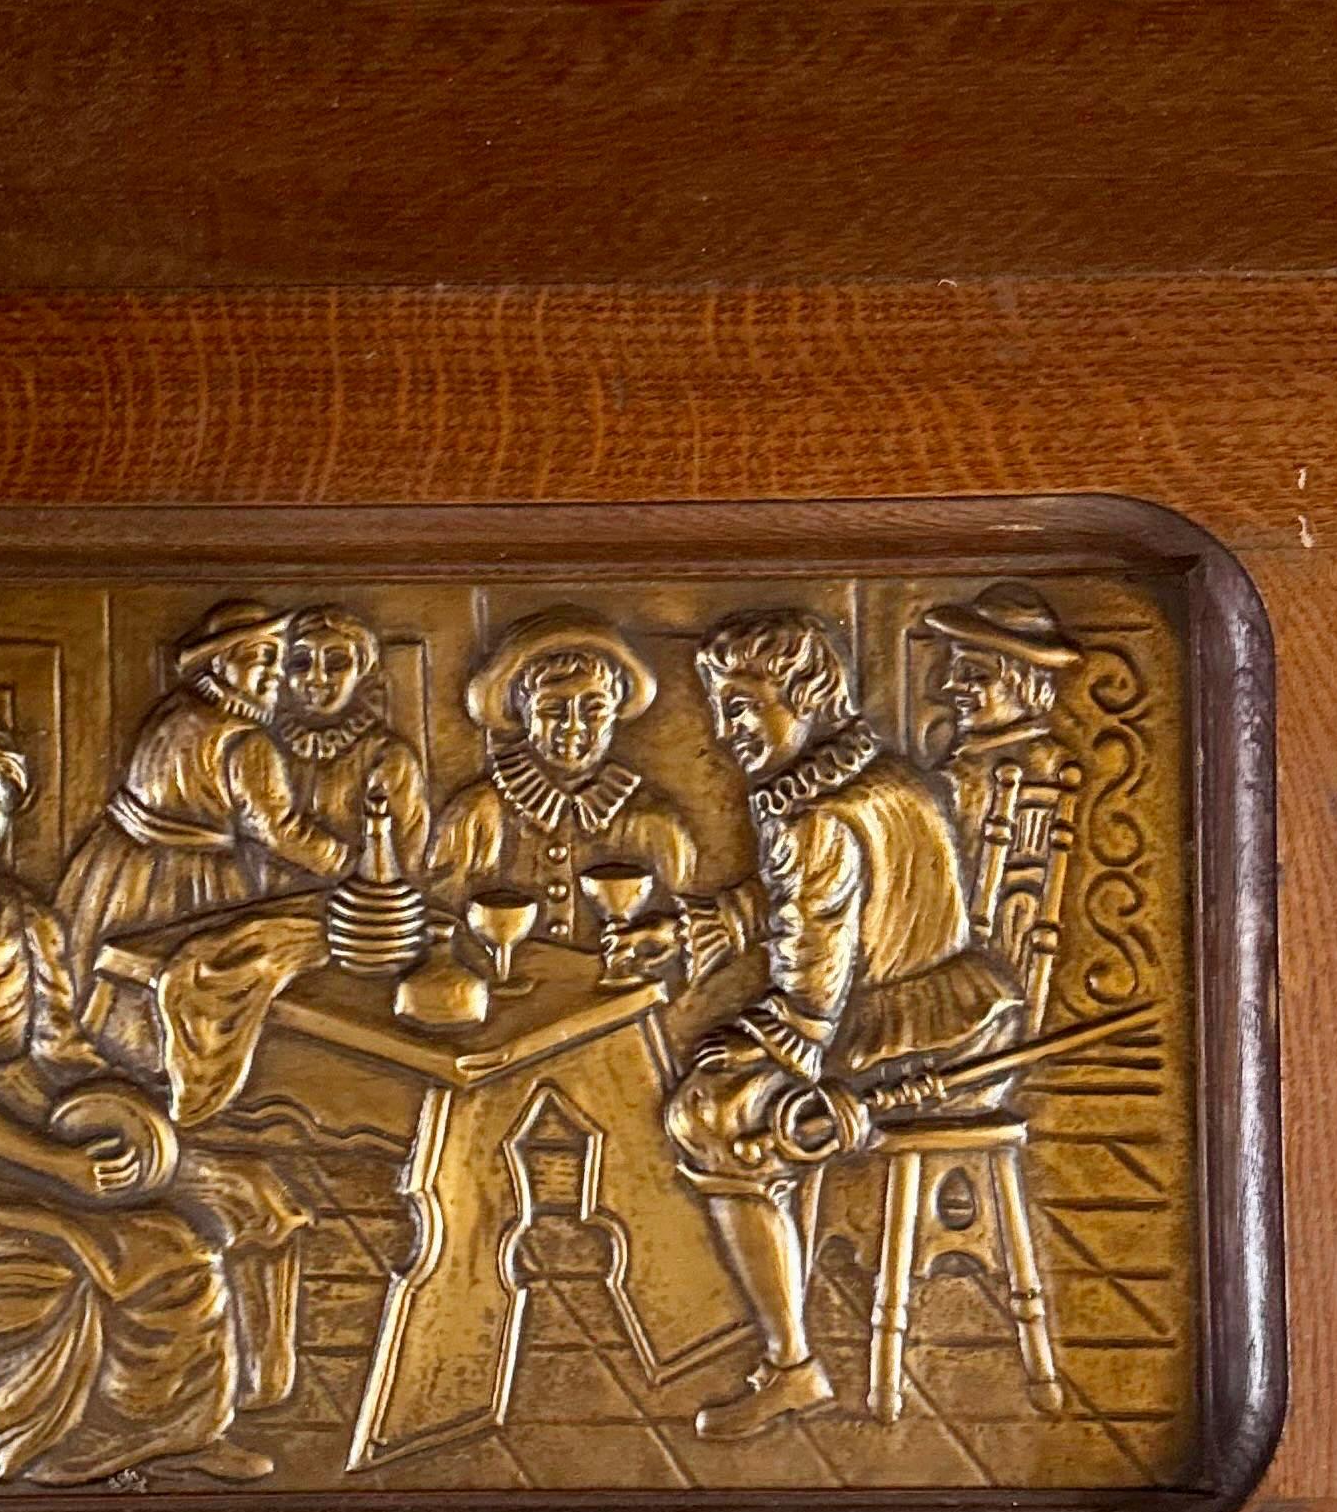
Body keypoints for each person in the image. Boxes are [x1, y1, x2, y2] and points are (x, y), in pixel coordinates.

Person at [0, 710, 305, 1488]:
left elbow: (61, 1052)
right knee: (150, 1252)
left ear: (10, 808)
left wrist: (129, 1115)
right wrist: (56, 1165)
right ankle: (64, 1450)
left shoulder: (29, 921)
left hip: (38, 1128)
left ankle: (184, 1429)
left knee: (235, 1199)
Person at [607, 608, 1019, 1439]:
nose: (726, 734)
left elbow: (811, 990)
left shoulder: (813, 817)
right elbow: (804, 900)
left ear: (805, 692)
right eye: (720, 712)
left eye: (743, 708)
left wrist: (758, 1046)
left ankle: (790, 1363)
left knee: (710, 1115)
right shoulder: (880, 778)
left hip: (906, 1042)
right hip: (968, 1010)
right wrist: (699, 929)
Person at [55, 598, 357, 981]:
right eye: (260, 658)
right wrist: (346, 863)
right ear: (219, 662)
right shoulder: (246, 742)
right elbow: (278, 831)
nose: (275, 674)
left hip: (115, 870)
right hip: (190, 881)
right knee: (200, 980)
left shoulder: (174, 711)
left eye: (278, 661)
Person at [427, 608, 703, 943]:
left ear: (616, 713)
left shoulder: (652, 821)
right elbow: (437, 925)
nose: (573, 727)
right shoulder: (478, 815)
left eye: (594, 709)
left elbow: (689, 924)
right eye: (552, 710)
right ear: (523, 714)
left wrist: (664, 937)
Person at [913, 580, 1087, 1001]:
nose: (951, 687)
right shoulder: (1052, 758)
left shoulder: (966, 779)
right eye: (955, 672)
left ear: (1022, 682)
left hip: (952, 979)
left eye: (973, 674)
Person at [280, 605, 430, 867]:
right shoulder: (266, 748)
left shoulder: (389, 757)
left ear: (362, 673)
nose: (316, 678)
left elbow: (406, 863)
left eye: (336, 662)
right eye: (301, 663)